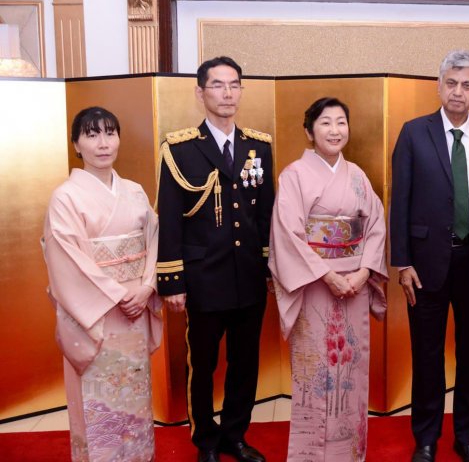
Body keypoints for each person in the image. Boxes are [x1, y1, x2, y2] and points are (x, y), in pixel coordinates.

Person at [390, 50, 469, 462]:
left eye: (467, 85)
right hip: (425, 267)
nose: (458, 92)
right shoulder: (413, 133)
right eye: (451, 83)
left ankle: (468, 437)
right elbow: (400, 201)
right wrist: (402, 262)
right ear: (439, 84)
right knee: (427, 357)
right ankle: (426, 438)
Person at [156, 56, 274, 462]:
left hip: (248, 277)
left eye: (234, 85)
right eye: (218, 85)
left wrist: (268, 266)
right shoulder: (180, 148)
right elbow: (169, 218)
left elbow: (265, 213)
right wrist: (173, 282)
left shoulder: (259, 145)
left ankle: (236, 435)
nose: (227, 93)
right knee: (202, 366)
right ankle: (205, 440)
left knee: (245, 364)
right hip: (204, 278)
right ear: (200, 92)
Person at [269, 97, 388, 461]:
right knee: (315, 368)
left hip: (354, 283)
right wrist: (328, 276)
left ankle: (349, 451)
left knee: (349, 365)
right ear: (309, 131)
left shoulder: (358, 176)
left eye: (341, 122)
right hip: (314, 288)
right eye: (325, 123)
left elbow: (375, 227)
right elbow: (288, 234)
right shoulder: (294, 175)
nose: (335, 130)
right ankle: (308, 454)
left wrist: (365, 271)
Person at [42, 106, 162, 462]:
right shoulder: (65, 197)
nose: (103, 143)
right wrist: (118, 294)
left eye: (110, 133)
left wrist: (147, 286)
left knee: (134, 391)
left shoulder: (135, 191)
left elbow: (153, 241)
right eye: (91, 134)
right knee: (100, 396)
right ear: (76, 144)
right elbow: (65, 257)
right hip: (95, 315)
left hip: (135, 305)